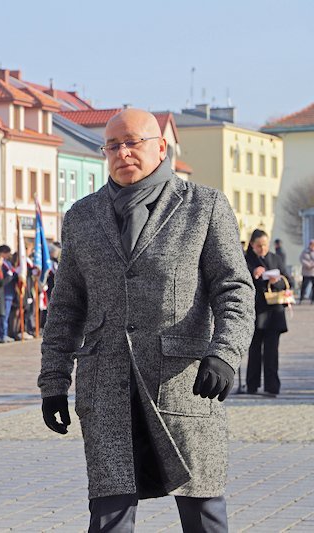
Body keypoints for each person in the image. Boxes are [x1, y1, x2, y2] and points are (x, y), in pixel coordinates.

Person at [38, 108, 255, 532]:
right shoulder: (83, 216)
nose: (123, 152)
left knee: (203, 511)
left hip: (183, 383)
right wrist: (53, 382)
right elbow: (66, 307)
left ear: (160, 147)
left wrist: (225, 354)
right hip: (107, 386)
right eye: (113, 145)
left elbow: (234, 287)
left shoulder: (203, 206)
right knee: (109, 514)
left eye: (133, 142)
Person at [245, 229, 289, 396]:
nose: (262, 249)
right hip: (256, 312)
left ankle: (272, 386)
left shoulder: (275, 258)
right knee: (255, 351)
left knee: (272, 352)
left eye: (265, 245)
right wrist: (252, 274)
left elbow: (288, 281)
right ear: (252, 245)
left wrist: (275, 281)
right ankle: (252, 385)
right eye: (259, 246)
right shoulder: (246, 259)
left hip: (274, 313)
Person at [0, 244, 18, 343]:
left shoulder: (8, 263)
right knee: (3, 315)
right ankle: (2, 334)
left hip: (10, 292)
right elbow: (1, 281)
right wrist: (10, 276)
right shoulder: (1, 264)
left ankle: (4, 333)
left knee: (6, 315)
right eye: (7, 253)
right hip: (4, 292)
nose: (9, 255)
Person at [300, 239, 314, 304]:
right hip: (306, 272)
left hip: (313, 271)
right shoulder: (305, 251)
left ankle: (313, 299)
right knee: (304, 286)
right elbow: (301, 259)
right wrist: (308, 264)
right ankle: (301, 298)